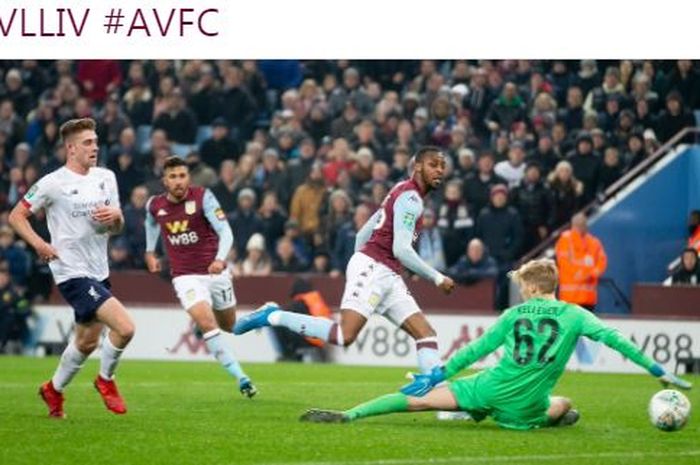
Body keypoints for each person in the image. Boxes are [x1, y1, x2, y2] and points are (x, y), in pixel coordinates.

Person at [300, 258, 692, 428]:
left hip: (487, 386)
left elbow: (474, 352)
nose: (520, 292)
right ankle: (524, 416)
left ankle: (350, 415)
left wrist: (437, 375)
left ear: (533, 286)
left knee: (417, 400)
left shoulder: (511, 316)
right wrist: (657, 370)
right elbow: (617, 340)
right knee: (565, 404)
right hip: (526, 407)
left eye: (522, 286)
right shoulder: (577, 315)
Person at [235, 147, 455, 376]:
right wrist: (437, 277)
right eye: (433, 164)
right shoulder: (411, 199)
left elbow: (362, 236)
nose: (439, 170)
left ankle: (437, 398)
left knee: (426, 333)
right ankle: (272, 315)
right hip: (375, 268)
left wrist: (365, 264)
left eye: (442, 166)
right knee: (344, 336)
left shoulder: (400, 190)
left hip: (386, 272)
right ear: (417, 166)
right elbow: (401, 249)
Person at [8, 117, 135, 418]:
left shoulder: (106, 177)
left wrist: (116, 216)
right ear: (71, 148)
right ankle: (106, 380)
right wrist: (39, 244)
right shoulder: (53, 183)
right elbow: (16, 216)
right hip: (71, 272)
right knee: (126, 327)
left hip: (99, 271)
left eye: (96, 141)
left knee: (87, 341)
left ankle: (53, 390)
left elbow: (117, 228)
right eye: (87, 143)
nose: (95, 147)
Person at [144, 156, 257, 398]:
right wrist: (150, 251)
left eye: (182, 176)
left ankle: (264, 314)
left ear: (189, 177)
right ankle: (241, 377)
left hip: (215, 273)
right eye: (173, 177)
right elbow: (151, 224)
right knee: (206, 323)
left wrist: (220, 258)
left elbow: (225, 231)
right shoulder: (155, 205)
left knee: (230, 326)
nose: (178, 181)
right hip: (185, 277)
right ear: (164, 180)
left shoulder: (203, 197)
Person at [554, 213, 607, 312]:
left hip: (588, 298)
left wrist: (592, 273)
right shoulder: (565, 240)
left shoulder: (594, 242)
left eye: (583, 224)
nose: (581, 226)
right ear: (573, 225)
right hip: (570, 298)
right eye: (579, 224)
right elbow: (564, 263)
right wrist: (585, 274)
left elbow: (602, 262)